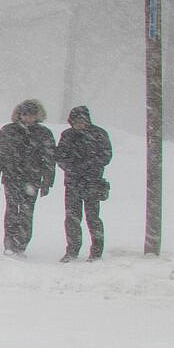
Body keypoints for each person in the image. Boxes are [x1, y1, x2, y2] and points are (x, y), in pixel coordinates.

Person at [0, 99, 57, 256]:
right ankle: (9, 244)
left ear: (37, 116)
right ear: (19, 115)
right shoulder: (8, 131)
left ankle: (21, 244)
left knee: (26, 213)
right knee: (11, 211)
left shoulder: (44, 133)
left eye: (32, 115)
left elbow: (49, 159)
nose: (28, 118)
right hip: (11, 178)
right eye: (25, 114)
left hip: (32, 179)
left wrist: (47, 182)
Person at [55, 105, 112, 262]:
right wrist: (72, 168)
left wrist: (88, 166)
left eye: (82, 120)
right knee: (72, 218)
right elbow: (59, 157)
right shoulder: (67, 135)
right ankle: (72, 250)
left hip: (93, 183)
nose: (79, 123)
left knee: (93, 218)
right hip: (72, 183)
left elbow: (106, 156)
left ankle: (96, 252)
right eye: (76, 121)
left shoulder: (99, 134)